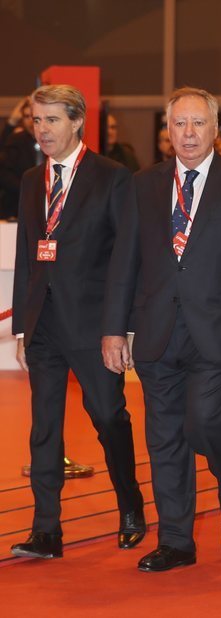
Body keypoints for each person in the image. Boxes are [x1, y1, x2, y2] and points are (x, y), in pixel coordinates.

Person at [102, 86, 221, 572]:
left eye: (197, 123)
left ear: (214, 128)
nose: (187, 133)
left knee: (204, 421)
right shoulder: (142, 185)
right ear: (167, 130)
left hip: (217, 330)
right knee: (163, 438)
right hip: (157, 331)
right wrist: (114, 329)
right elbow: (125, 263)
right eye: (178, 123)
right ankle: (177, 541)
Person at [9, 84, 145, 560]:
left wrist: (119, 328)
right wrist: (23, 328)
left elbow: (127, 258)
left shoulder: (112, 177)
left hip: (94, 327)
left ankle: (130, 504)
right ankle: (46, 529)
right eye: (36, 120)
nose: (41, 129)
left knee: (108, 416)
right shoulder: (31, 180)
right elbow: (30, 254)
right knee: (44, 427)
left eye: (51, 120)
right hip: (43, 325)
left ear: (77, 122)